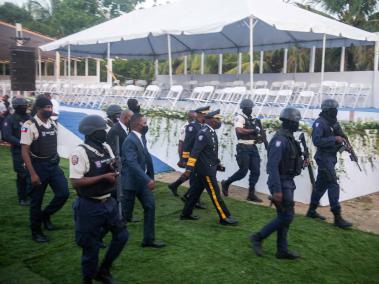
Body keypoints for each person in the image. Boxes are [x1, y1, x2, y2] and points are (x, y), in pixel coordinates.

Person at [70, 115, 128, 284]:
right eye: (102, 130)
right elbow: (76, 182)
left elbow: (109, 165)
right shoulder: (79, 152)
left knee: (122, 235)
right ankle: (87, 278)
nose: (105, 132)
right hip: (89, 205)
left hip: (108, 202)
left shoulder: (106, 148)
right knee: (91, 247)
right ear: (92, 133)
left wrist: (114, 166)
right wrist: (104, 177)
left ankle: (103, 270)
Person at [250, 107, 306, 260]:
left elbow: (291, 160)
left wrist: (302, 163)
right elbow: (272, 166)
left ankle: (282, 250)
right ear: (290, 122)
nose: (297, 124)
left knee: (284, 216)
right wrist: (277, 190)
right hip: (280, 182)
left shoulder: (289, 138)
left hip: (288, 181)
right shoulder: (280, 139)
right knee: (287, 216)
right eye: (296, 121)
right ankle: (257, 237)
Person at [20, 96, 69, 243]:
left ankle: (45, 215)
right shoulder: (29, 125)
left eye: (50, 107)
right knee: (36, 201)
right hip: (38, 167)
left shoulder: (53, 123)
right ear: (39, 108)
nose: (49, 110)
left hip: (53, 166)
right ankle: (36, 231)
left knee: (63, 193)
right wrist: (33, 174)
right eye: (46, 107)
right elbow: (24, 150)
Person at [180, 110, 238, 225]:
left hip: (207, 168)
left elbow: (211, 152)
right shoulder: (204, 133)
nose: (219, 121)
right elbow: (195, 152)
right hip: (205, 170)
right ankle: (224, 217)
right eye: (217, 119)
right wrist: (188, 169)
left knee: (195, 193)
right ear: (211, 120)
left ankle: (186, 214)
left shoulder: (211, 132)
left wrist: (217, 163)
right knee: (215, 194)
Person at [306, 99, 352, 228]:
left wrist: (346, 145)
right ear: (326, 110)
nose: (335, 112)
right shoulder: (319, 123)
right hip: (323, 157)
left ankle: (311, 210)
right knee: (333, 183)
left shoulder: (334, 122)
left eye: (336, 109)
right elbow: (317, 141)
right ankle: (337, 217)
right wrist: (334, 139)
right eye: (333, 110)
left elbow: (341, 135)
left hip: (331, 157)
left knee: (321, 185)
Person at [122, 113, 165, 248]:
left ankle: (148, 240)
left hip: (142, 183)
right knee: (123, 215)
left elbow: (145, 158)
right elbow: (131, 163)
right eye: (145, 123)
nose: (146, 126)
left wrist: (149, 177)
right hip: (131, 183)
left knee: (150, 207)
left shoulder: (141, 138)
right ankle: (97, 236)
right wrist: (147, 179)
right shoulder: (130, 140)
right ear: (136, 124)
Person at [221, 99, 264, 202]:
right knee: (243, 172)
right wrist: (253, 130)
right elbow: (239, 130)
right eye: (249, 108)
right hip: (243, 147)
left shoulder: (252, 119)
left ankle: (251, 194)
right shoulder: (239, 118)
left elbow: (257, 134)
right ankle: (226, 183)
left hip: (253, 147)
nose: (250, 109)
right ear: (244, 108)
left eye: (251, 108)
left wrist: (260, 137)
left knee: (256, 171)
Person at [168, 106, 210, 208]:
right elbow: (183, 144)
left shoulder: (201, 125)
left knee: (194, 177)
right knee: (194, 179)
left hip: (199, 157)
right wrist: (183, 159)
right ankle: (193, 200)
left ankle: (175, 186)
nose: (192, 119)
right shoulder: (188, 127)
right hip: (192, 157)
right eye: (191, 118)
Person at [106, 109, 139, 222]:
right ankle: (119, 216)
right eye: (132, 119)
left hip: (127, 166)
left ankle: (126, 215)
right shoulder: (115, 130)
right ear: (126, 118)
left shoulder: (126, 129)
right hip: (121, 167)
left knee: (127, 192)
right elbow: (113, 150)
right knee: (120, 193)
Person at [2, 97, 32, 205]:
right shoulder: (9, 119)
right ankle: (22, 198)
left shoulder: (29, 118)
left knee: (31, 173)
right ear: (17, 107)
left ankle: (30, 195)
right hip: (18, 152)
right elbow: (6, 136)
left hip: (32, 151)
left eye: (26, 106)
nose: (26, 108)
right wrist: (23, 143)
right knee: (22, 174)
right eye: (23, 106)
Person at [167, 110, 197, 197]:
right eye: (193, 118)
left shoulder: (195, 126)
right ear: (189, 118)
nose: (195, 120)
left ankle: (174, 185)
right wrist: (181, 159)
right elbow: (181, 144)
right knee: (193, 175)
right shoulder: (185, 128)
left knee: (191, 174)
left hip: (194, 154)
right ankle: (192, 197)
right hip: (188, 155)